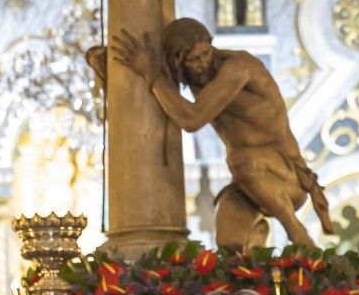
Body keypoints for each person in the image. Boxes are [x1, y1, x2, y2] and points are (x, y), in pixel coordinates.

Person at [105, 19, 333, 252]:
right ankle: (259, 263)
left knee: (239, 159)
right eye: (194, 59)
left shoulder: (238, 68)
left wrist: (150, 74)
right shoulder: (191, 77)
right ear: (178, 61)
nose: (204, 63)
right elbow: (160, 90)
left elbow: (191, 119)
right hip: (248, 182)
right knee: (230, 242)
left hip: (286, 177)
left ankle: (299, 235)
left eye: (206, 52)